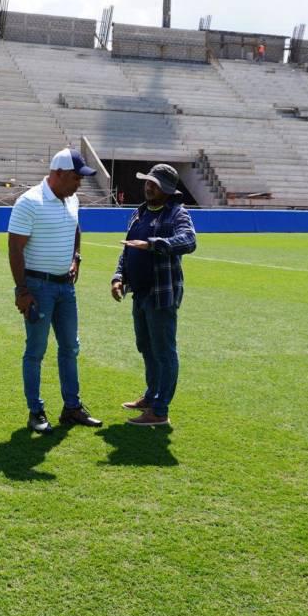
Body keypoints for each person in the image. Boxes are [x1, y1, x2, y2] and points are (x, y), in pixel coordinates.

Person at [8, 148, 103, 433]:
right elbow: (15, 248)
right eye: (76, 178)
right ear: (58, 174)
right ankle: (35, 412)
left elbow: (76, 230)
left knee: (70, 347)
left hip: (65, 287)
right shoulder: (30, 202)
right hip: (38, 287)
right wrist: (22, 290)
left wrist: (76, 258)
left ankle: (71, 408)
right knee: (36, 351)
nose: (79, 184)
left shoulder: (71, 199)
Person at [111, 164, 197, 427]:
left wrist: (153, 244)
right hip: (140, 293)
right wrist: (118, 277)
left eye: (155, 184)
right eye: (148, 182)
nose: (149, 186)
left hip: (162, 295)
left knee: (164, 351)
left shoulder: (177, 214)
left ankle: (160, 410)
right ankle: (151, 396)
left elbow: (189, 241)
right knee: (146, 347)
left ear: (168, 190)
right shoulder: (139, 213)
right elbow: (127, 251)